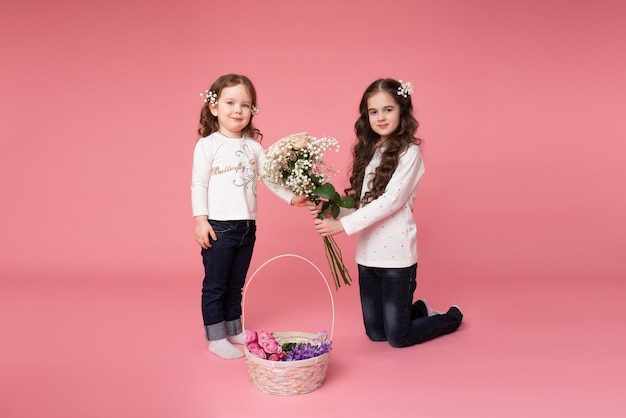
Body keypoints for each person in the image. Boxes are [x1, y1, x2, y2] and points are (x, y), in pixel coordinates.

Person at [311, 78, 463, 347]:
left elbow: (391, 201)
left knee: (398, 338)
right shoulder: (370, 151)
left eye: (388, 109)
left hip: (397, 258)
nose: (381, 117)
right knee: (376, 333)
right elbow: (362, 202)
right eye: (373, 111)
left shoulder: (410, 152)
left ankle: (450, 318)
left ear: (402, 111)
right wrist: (331, 213)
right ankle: (418, 310)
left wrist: (342, 227)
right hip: (368, 256)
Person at [191, 73, 306, 359]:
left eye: (245, 105)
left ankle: (233, 328)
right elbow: (199, 184)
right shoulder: (208, 145)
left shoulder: (254, 147)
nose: (237, 110)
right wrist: (200, 220)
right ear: (214, 107)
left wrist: (292, 198)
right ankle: (216, 337)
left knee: (236, 284)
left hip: (246, 228)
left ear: (252, 111)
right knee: (216, 284)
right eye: (230, 102)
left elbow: (270, 178)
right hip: (218, 226)